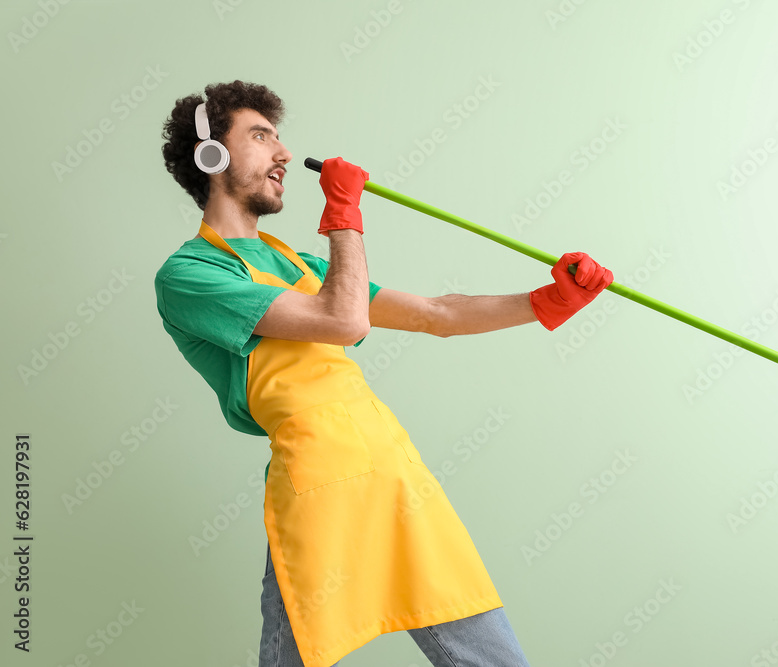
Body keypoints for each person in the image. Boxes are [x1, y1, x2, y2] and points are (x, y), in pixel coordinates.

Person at [155, 80, 613, 667]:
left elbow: (436, 314)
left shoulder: (294, 262)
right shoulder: (190, 274)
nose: (284, 154)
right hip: (319, 481)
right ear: (211, 155)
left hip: (394, 472)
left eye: (279, 137)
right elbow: (342, 321)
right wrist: (344, 216)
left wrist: (546, 301)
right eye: (261, 136)